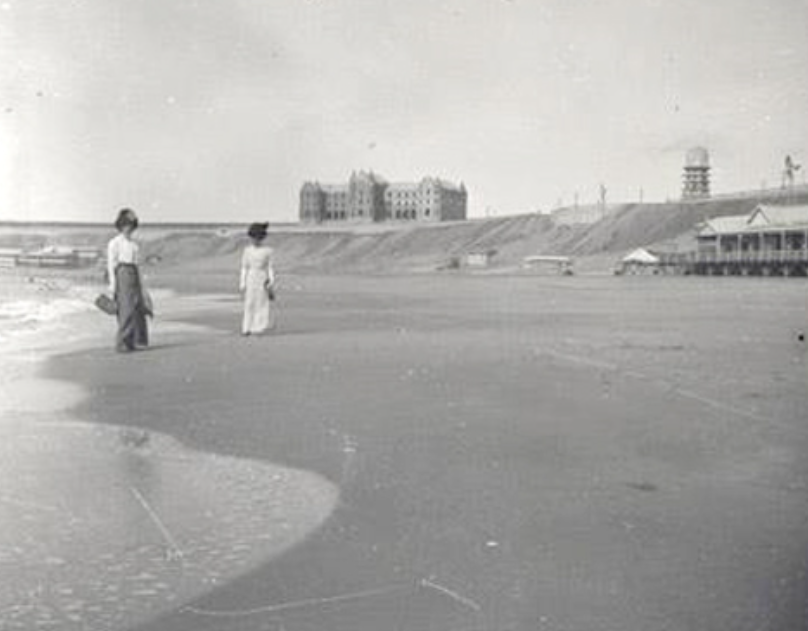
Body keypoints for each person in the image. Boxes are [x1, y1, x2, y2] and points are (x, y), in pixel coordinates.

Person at [107, 208, 149, 352]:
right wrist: (112, 285)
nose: (128, 229)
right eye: (126, 225)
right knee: (126, 310)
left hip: (133, 273)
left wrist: (143, 286)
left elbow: (138, 266)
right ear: (120, 226)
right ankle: (122, 343)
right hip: (121, 274)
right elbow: (111, 265)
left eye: (131, 226)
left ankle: (134, 341)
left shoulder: (134, 245)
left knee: (137, 308)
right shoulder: (114, 243)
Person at [240, 222, 276, 335]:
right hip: (251, 276)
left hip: (262, 277)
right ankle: (246, 328)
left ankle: (258, 327)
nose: (256, 240)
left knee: (262, 302)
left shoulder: (268, 251)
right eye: (254, 237)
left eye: (258, 237)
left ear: (262, 238)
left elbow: (270, 267)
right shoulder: (247, 250)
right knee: (249, 302)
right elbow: (244, 267)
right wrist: (242, 282)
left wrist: (271, 280)